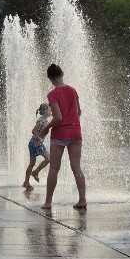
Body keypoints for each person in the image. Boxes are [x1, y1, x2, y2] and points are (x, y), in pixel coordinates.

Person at [38, 63, 86, 211]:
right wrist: (72, 122)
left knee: (54, 168)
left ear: (50, 78)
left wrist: (45, 128)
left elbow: (58, 117)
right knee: (76, 167)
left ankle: (48, 202)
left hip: (60, 134)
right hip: (75, 132)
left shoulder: (53, 94)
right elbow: (79, 112)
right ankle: (82, 200)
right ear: (62, 73)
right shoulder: (73, 90)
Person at [23, 103, 51, 190]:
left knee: (48, 159)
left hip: (39, 144)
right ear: (44, 111)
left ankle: (35, 172)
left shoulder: (46, 120)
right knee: (32, 163)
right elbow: (33, 131)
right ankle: (26, 182)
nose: (50, 110)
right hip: (34, 144)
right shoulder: (41, 120)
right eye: (49, 109)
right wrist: (39, 139)